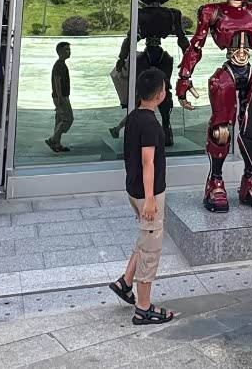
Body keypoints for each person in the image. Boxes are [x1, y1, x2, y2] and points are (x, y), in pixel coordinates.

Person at [108, 68, 174, 325]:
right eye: (165, 88)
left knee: (145, 236)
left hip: (133, 189)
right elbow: (148, 162)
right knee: (150, 249)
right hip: (148, 194)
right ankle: (143, 308)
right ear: (159, 95)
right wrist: (150, 199)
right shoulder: (150, 124)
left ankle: (125, 282)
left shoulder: (134, 116)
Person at [46, 42, 73, 153]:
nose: (69, 52)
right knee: (68, 119)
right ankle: (53, 140)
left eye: (69, 49)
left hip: (60, 96)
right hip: (61, 97)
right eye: (66, 49)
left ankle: (57, 144)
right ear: (60, 51)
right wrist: (60, 97)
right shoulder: (59, 65)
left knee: (59, 120)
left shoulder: (61, 64)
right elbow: (57, 81)